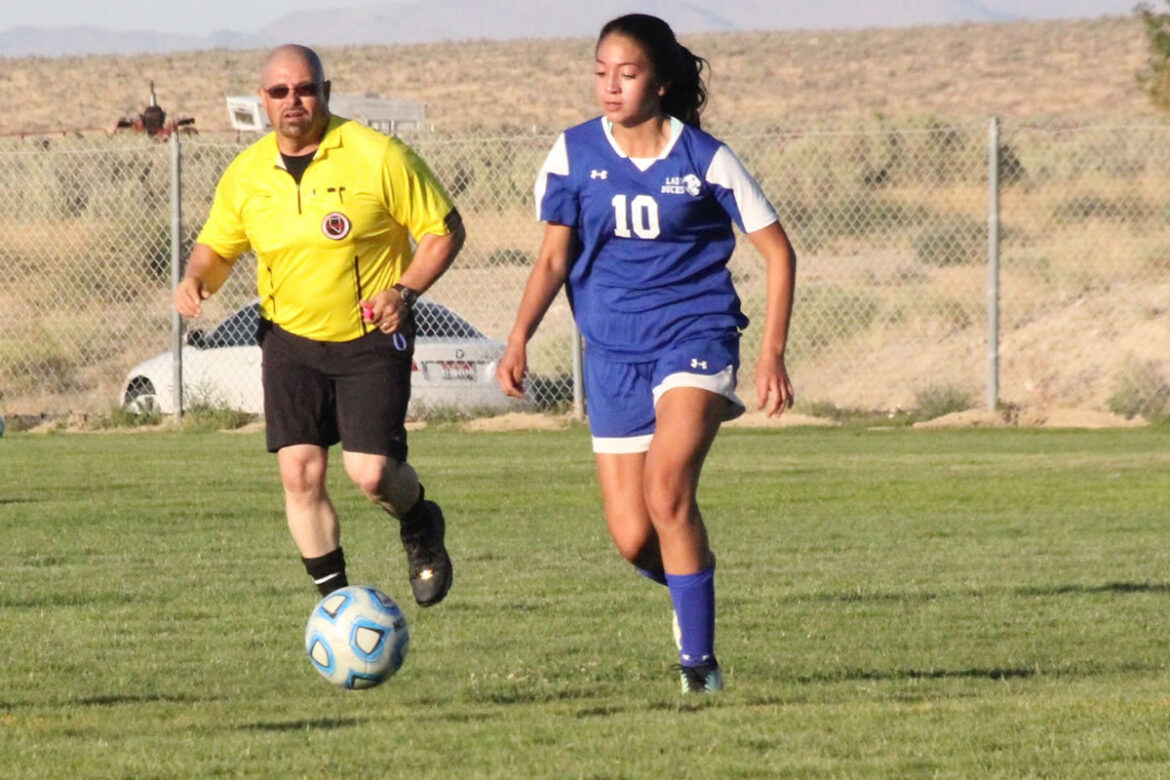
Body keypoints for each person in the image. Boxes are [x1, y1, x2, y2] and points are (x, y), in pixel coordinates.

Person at [497, 14, 796, 694]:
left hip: (695, 337)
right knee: (634, 536)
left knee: (668, 491)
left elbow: (778, 251)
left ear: (659, 82)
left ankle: (699, 667)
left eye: (626, 74)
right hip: (611, 354)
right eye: (600, 72)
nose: (610, 86)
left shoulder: (703, 157)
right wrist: (518, 338)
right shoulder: (572, 154)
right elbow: (551, 260)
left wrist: (771, 354)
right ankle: (692, 581)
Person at [174, 44, 464, 608]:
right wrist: (196, 278)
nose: (293, 101)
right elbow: (217, 245)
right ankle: (335, 606)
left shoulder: (377, 155)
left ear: (325, 92)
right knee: (299, 474)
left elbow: (444, 229)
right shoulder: (247, 172)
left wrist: (404, 292)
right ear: (262, 101)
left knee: (373, 473)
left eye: (304, 89)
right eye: (279, 92)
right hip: (289, 340)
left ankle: (419, 519)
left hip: (370, 336)